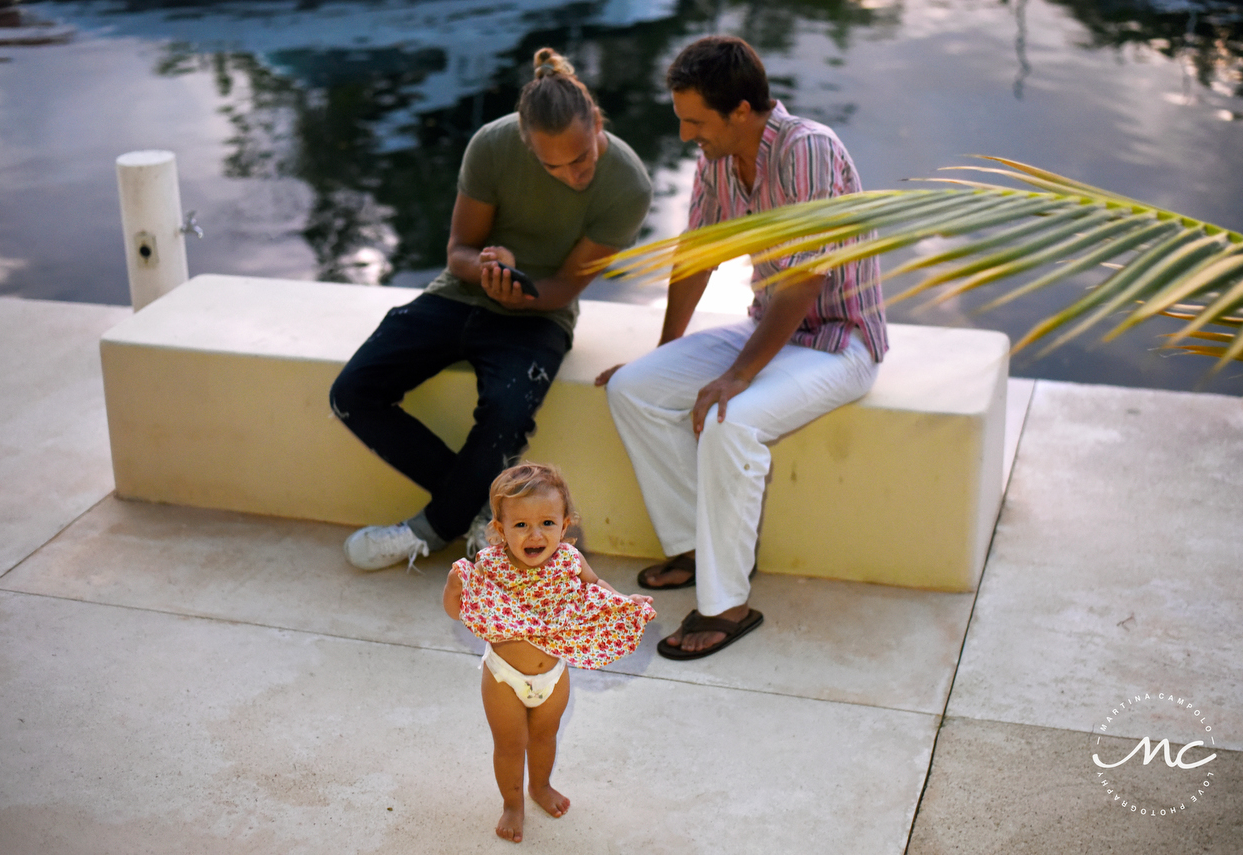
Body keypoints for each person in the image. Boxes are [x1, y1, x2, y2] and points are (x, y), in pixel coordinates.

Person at [598, 36, 888, 660]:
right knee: (633, 389)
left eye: (695, 121)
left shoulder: (806, 148)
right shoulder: (720, 156)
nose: (685, 136)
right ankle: (696, 546)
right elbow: (695, 258)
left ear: (741, 112)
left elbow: (806, 281)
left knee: (730, 421)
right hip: (772, 329)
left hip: (840, 341)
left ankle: (727, 602)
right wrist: (662, 354)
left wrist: (736, 376)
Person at [330, 48, 652, 570]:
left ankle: (429, 531)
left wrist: (521, 294)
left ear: (596, 123)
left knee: (506, 410)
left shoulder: (628, 186)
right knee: (352, 392)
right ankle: (487, 512)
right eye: (554, 165)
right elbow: (458, 250)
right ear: (526, 145)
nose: (573, 174)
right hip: (458, 295)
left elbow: (568, 284)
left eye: (582, 159)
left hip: (542, 313)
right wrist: (487, 271)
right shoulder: (492, 145)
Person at [442, 463, 655, 843]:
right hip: (504, 677)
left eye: (547, 523)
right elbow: (460, 611)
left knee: (545, 736)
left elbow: (596, 590)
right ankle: (512, 804)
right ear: (499, 529)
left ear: (565, 523)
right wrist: (454, 588)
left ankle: (540, 786)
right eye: (520, 525)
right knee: (510, 745)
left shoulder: (570, 562)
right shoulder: (490, 566)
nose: (535, 534)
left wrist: (624, 602)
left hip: (552, 677)